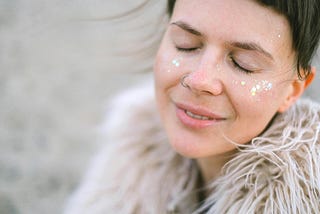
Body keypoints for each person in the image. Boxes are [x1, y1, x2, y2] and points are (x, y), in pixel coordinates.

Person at [65, 0, 320, 213]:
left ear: (293, 90)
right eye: (186, 44)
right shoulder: (123, 171)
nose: (199, 81)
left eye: (244, 64)